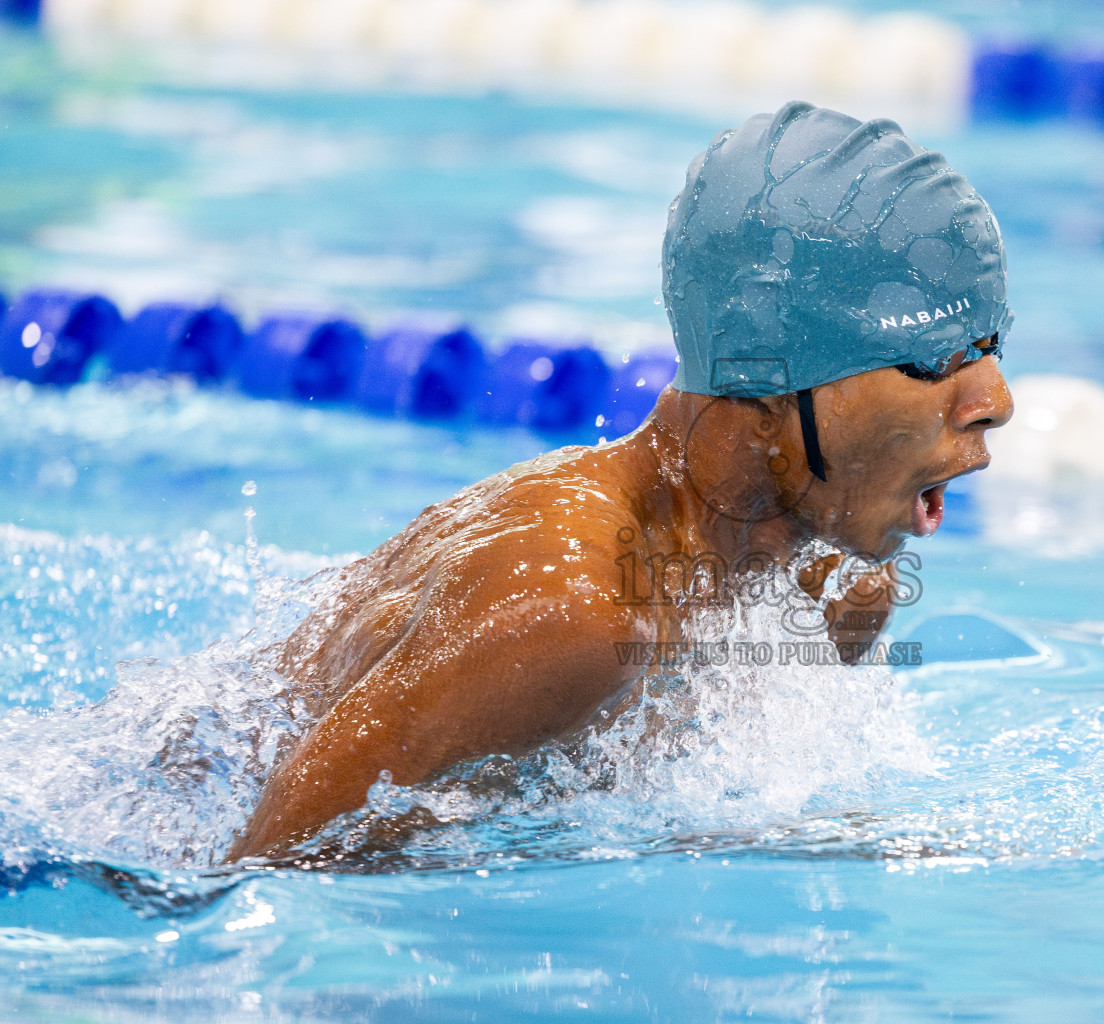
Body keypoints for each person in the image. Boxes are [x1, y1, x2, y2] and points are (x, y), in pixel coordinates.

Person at [227, 100, 1014, 860]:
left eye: (989, 348)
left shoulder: (835, 592)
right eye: (932, 361)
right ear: (771, 376)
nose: (995, 403)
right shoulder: (569, 611)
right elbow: (254, 878)